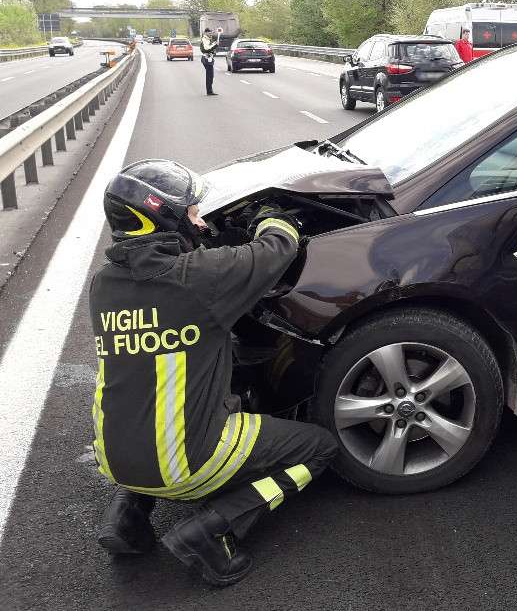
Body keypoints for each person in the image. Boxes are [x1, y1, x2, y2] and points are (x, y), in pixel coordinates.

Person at [90, 159, 339, 586]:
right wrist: (272, 219)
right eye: (192, 212)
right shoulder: (200, 279)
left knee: (144, 404)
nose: (201, 221)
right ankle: (211, 529)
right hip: (188, 465)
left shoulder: (102, 285)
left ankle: (126, 517)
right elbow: (277, 249)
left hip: (112, 457)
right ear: (162, 216)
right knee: (319, 448)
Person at [199, 28, 218, 95]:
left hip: (208, 58)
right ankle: (209, 91)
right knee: (210, 75)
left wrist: (213, 44)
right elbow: (207, 48)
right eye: (209, 33)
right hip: (207, 59)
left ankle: (209, 90)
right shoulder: (205, 39)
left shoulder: (207, 39)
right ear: (205, 33)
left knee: (210, 75)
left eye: (211, 33)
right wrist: (215, 45)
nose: (211, 34)